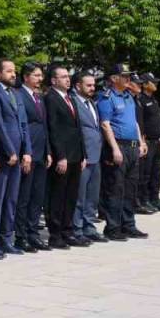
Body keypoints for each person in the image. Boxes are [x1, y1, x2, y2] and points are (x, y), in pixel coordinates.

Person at [96, 66, 148, 240]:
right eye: (124, 76)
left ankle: (128, 224)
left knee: (130, 189)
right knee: (116, 188)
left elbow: (134, 121)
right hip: (119, 146)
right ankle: (113, 227)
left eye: (129, 76)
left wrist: (141, 141)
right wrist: (114, 148)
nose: (128, 79)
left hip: (133, 146)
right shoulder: (107, 97)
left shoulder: (128, 96)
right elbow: (105, 124)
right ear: (113, 78)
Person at [0, 59, 29, 257]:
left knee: (11, 199)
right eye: (9, 71)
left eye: (14, 71)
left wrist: (26, 151)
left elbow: (23, 124)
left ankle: (6, 239)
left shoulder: (16, 93)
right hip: (5, 156)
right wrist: (9, 150)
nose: (13, 74)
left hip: (17, 155)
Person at [44, 65, 86, 249]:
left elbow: (77, 129)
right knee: (58, 196)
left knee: (71, 195)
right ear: (53, 81)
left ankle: (67, 230)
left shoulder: (71, 99)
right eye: (62, 77)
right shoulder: (51, 99)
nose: (67, 80)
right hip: (63, 157)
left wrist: (83, 154)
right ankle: (56, 234)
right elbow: (54, 129)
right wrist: (60, 156)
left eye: (68, 77)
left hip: (76, 155)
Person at [13, 63, 49, 253]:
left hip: (41, 152)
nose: (39, 79)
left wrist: (49, 151)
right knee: (24, 197)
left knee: (37, 197)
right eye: (36, 75)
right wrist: (24, 152)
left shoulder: (39, 97)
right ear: (26, 77)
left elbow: (45, 127)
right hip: (28, 152)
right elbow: (22, 125)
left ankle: (33, 233)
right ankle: (21, 236)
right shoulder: (19, 95)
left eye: (40, 75)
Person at [71, 73, 107, 243]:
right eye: (89, 85)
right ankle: (76, 229)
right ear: (78, 86)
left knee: (92, 195)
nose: (93, 88)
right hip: (83, 155)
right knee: (79, 195)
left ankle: (89, 226)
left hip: (96, 155)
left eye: (93, 85)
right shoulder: (73, 101)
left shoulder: (92, 102)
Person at [134, 73, 160, 212]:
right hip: (147, 141)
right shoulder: (140, 100)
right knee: (146, 173)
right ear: (146, 84)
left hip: (156, 141)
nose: (156, 84)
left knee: (157, 173)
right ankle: (144, 199)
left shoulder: (153, 99)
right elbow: (140, 122)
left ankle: (155, 198)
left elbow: (156, 122)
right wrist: (142, 140)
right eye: (153, 82)